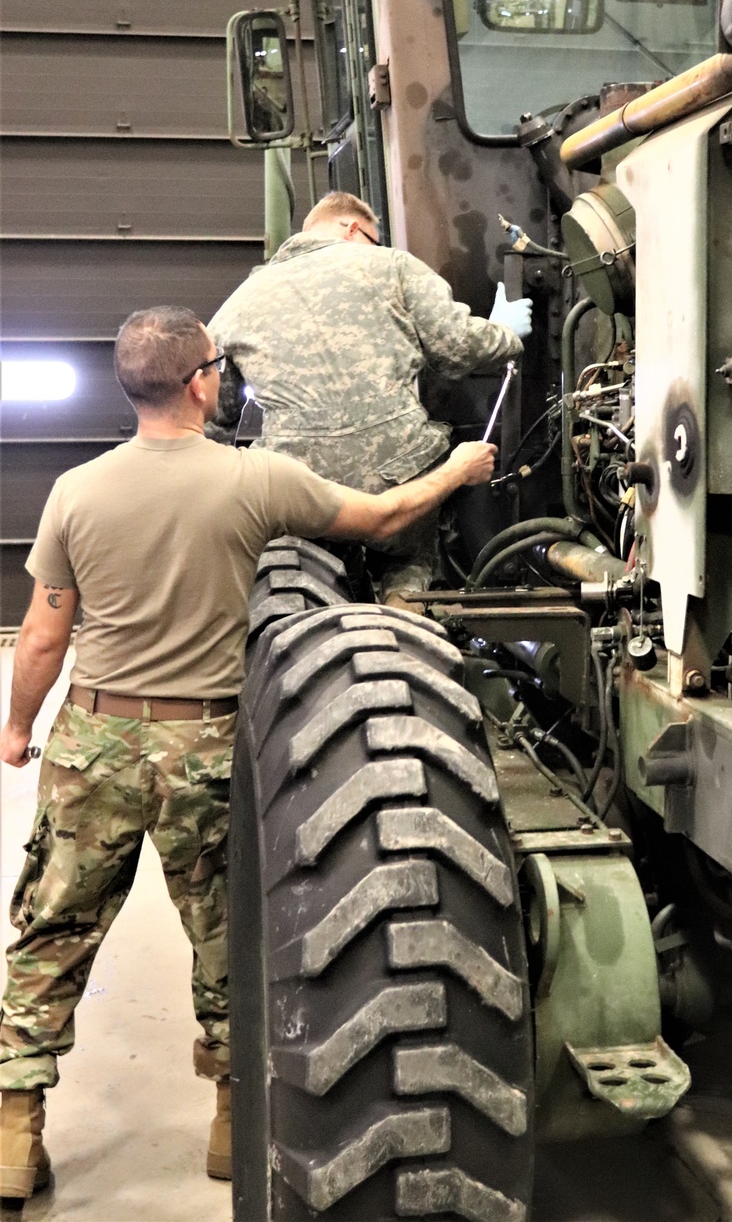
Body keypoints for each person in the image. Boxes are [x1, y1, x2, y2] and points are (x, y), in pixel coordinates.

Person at [0, 306, 496, 1203]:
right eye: (217, 368)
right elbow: (381, 520)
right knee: (226, 943)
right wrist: (459, 468)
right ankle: (233, 1124)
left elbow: (41, 635)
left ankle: (10, 1133)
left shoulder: (75, 490)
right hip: (206, 744)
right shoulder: (254, 480)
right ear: (200, 382)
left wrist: (15, 727)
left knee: (51, 933)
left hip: (95, 743)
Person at [207, 190, 532, 604]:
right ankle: (404, 614)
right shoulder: (391, 265)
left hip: (299, 485)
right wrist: (503, 332)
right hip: (397, 473)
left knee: (303, 563)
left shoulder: (239, 301)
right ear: (353, 227)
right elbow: (457, 350)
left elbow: (218, 411)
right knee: (410, 554)